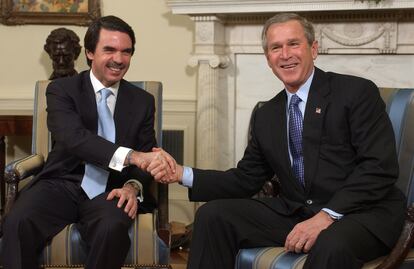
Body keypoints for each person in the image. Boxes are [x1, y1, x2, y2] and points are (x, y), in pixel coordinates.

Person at [158, 13, 406, 269]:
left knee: (331, 243)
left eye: (294, 44)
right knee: (212, 216)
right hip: (298, 212)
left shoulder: (355, 92)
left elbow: (378, 168)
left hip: (363, 213)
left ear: (313, 49)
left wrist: (326, 216)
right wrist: (180, 173)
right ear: (268, 59)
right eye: (276, 47)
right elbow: (245, 179)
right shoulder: (267, 115)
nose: (285, 54)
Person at [1, 15, 175, 269]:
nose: (119, 59)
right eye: (110, 49)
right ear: (90, 53)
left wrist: (132, 186)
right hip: (63, 183)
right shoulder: (62, 90)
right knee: (18, 222)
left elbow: (147, 153)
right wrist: (133, 156)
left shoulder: (142, 101)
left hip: (112, 190)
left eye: (126, 52)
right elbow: (74, 139)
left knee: (112, 227)